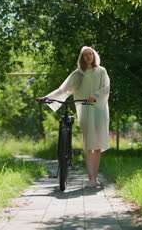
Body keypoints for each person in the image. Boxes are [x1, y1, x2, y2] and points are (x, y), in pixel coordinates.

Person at [37, 46, 110, 188]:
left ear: (94, 56)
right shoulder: (78, 74)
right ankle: (90, 178)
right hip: (85, 110)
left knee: (97, 146)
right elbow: (63, 89)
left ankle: (95, 178)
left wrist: (94, 96)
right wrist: (47, 97)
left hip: (99, 109)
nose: (89, 57)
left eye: (91, 54)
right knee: (88, 144)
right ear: (81, 58)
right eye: (85, 55)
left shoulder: (101, 71)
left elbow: (106, 88)